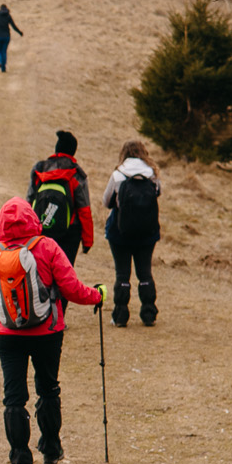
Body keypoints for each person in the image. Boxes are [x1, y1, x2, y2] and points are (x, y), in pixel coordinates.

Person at [0, 197, 102, 464]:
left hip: (8, 334)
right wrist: (98, 294)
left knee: (13, 397)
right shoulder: (48, 247)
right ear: (33, 219)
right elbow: (73, 289)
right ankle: (51, 450)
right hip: (47, 332)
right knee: (48, 388)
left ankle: (20, 462)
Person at [102, 139, 163, 328]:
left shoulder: (118, 174)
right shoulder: (152, 175)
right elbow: (158, 193)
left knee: (122, 274)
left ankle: (120, 316)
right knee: (145, 273)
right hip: (147, 233)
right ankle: (149, 314)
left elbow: (106, 201)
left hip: (120, 232)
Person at [27, 130, 95, 265]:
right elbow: (84, 210)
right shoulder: (76, 173)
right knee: (64, 275)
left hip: (41, 230)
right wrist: (87, 241)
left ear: (56, 148)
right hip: (69, 233)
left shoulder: (40, 168)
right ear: (73, 151)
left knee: (41, 271)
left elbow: (29, 201)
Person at [0, 3, 23, 71]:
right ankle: (3, 68)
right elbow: (13, 26)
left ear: (0, 9)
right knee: (4, 51)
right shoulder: (8, 16)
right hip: (6, 37)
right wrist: (20, 32)